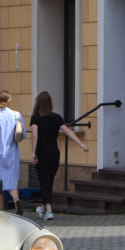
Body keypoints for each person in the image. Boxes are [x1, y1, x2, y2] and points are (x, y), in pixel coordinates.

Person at [30, 91, 88, 220]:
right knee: (49, 182)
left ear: (39, 103)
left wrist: (33, 152)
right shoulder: (57, 117)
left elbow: (35, 135)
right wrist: (81, 144)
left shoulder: (35, 118)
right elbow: (67, 131)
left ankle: (49, 211)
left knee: (44, 182)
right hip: (54, 153)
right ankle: (43, 209)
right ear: (50, 103)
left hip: (41, 154)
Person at [0, 89, 26, 213]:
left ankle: (1, 210)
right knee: (11, 180)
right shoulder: (16, 115)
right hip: (11, 152)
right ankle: (16, 199)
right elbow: (23, 135)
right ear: (10, 100)